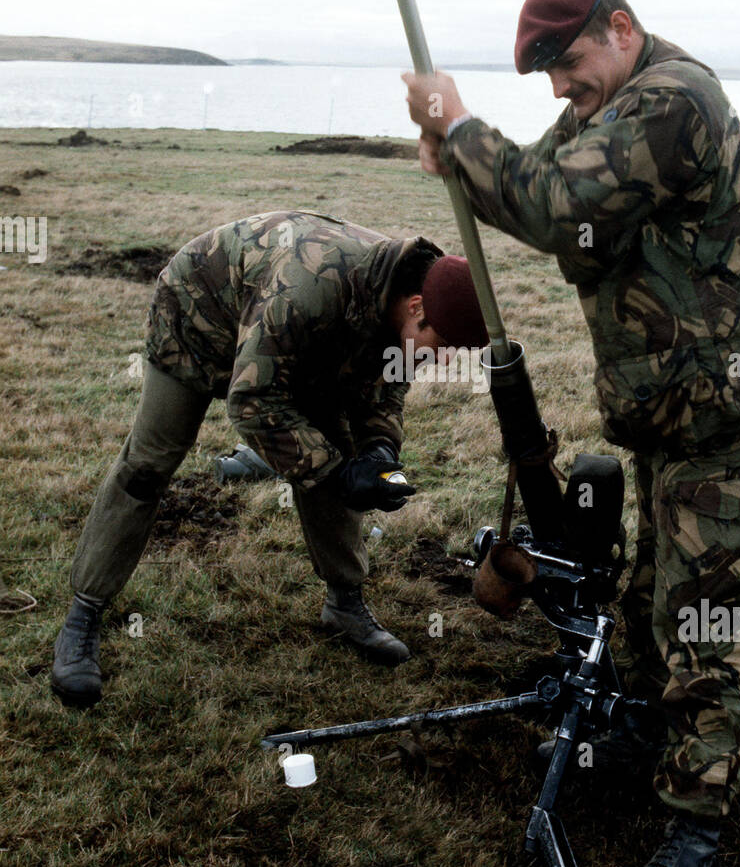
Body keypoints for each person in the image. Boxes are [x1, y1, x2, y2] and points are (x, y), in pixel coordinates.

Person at [402, 0, 740, 867]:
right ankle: (650, 746)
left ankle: (695, 839)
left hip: (721, 416)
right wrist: (457, 160)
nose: (557, 89)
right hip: (667, 414)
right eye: (542, 73)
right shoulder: (612, 104)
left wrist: (462, 129)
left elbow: (550, 202)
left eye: (566, 62)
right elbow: (540, 193)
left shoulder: (671, 100)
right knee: (647, 602)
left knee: (705, 626)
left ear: (620, 29)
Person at [51, 210, 487, 707]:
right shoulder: (308, 290)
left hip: (297, 342)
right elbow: (253, 401)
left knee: (338, 455)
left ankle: (344, 604)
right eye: (446, 345)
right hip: (198, 318)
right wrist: (337, 472)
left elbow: (384, 388)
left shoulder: (402, 299)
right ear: (416, 308)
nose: (446, 359)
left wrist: (378, 452)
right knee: (149, 465)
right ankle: (84, 613)